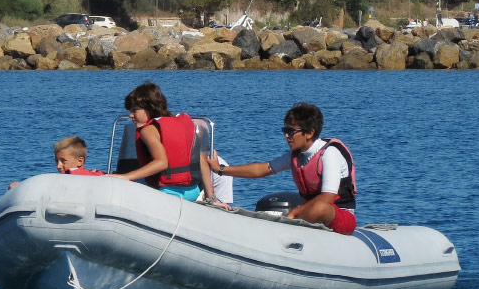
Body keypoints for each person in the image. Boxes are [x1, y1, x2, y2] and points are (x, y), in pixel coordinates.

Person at [206, 102, 357, 235]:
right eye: (284, 130)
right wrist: (221, 169)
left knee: (320, 208)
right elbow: (262, 169)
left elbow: (328, 198)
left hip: (340, 215)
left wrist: (296, 211)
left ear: (310, 133)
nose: (286, 136)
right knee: (310, 208)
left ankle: (288, 231)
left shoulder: (329, 154)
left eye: (291, 131)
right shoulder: (296, 155)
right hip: (307, 212)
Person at [110, 81, 217, 202]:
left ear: (149, 108)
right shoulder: (179, 125)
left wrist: (126, 177)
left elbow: (161, 163)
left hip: (167, 193)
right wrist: (211, 198)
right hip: (192, 191)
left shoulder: (148, 130)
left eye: (135, 110)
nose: (130, 115)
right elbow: (200, 159)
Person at [9, 136, 102, 188]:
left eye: (63, 161)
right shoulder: (58, 180)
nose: (58, 166)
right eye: (56, 161)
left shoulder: (92, 177)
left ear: (80, 161)